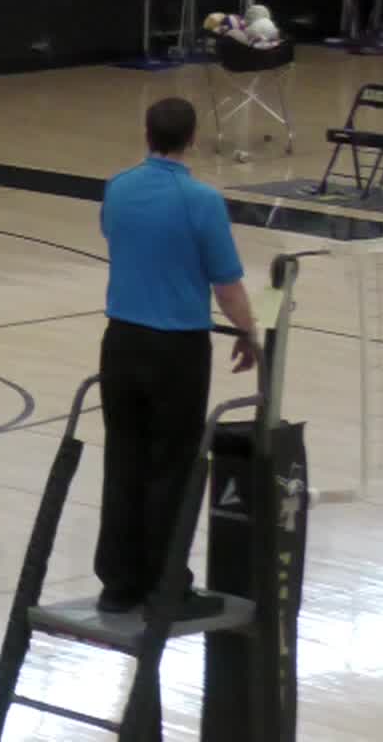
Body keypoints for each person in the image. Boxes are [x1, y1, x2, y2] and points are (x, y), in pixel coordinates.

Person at [96, 97, 259, 619]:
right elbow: (227, 284)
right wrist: (250, 332)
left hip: (120, 343)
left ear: (146, 134)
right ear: (192, 140)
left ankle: (118, 585)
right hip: (176, 350)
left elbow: (117, 238)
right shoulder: (202, 200)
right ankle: (167, 585)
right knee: (171, 466)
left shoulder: (118, 189)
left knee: (122, 458)